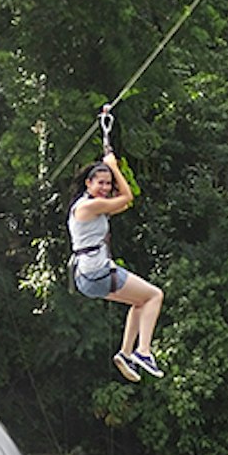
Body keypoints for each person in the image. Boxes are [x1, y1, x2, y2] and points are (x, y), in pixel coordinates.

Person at [67, 140, 165, 379]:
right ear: (88, 183)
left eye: (108, 184)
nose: (105, 187)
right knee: (154, 296)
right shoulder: (89, 206)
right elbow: (127, 196)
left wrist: (111, 167)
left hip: (88, 277)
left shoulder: (93, 206)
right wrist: (113, 166)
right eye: (100, 183)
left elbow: (124, 203)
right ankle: (143, 351)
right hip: (97, 273)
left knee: (140, 303)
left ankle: (125, 353)